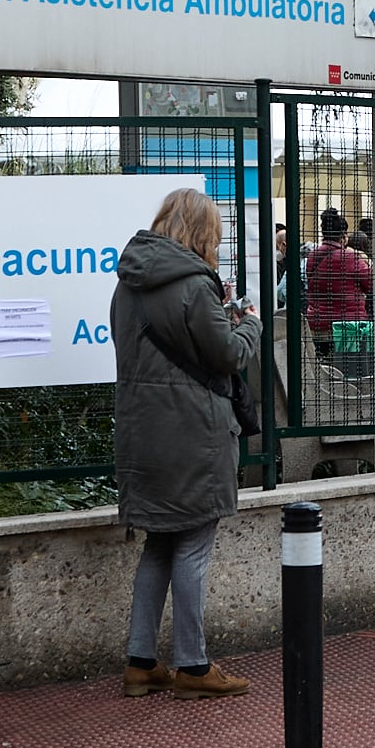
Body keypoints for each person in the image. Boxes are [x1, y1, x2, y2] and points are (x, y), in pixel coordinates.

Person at [114, 187, 260, 698]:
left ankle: (140, 662)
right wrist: (251, 326)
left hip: (141, 434)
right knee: (194, 545)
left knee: (157, 544)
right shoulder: (194, 285)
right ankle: (193, 667)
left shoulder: (126, 285)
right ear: (202, 233)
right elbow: (224, 354)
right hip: (192, 434)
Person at [303, 207, 372, 372]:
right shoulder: (350, 257)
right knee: (351, 375)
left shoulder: (312, 257)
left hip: (318, 326)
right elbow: (371, 284)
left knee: (325, 373)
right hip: (346, 328)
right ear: (343, 236)